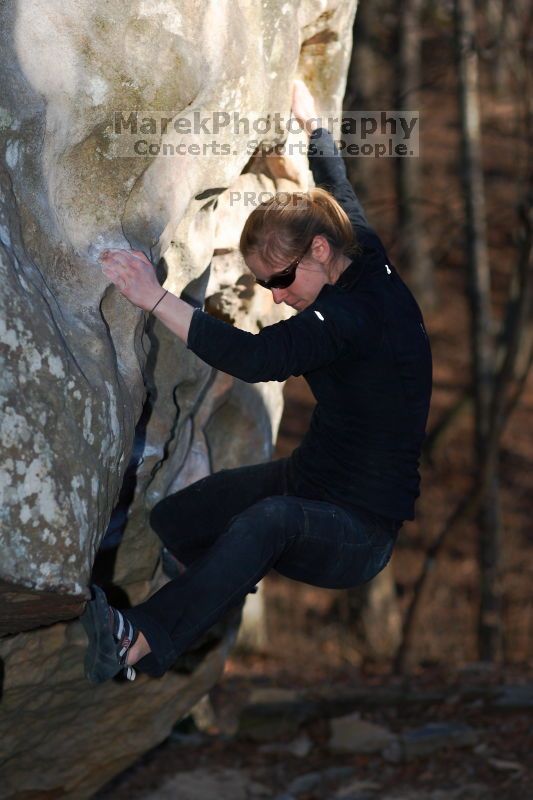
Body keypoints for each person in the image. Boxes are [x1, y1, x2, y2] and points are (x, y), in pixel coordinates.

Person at [81, 80, 432, 683]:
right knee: (179, 523)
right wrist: (313, 125)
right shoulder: (361, 254)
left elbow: (252, 358)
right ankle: (210, 603)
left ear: (320, 251)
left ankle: (141, 639)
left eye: (282, 279)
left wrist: (152, 296)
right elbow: (338, 189)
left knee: (266, 522)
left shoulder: (346, 319)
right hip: (311, 480)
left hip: (357, 531)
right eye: (267, 283)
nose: (277, 296)